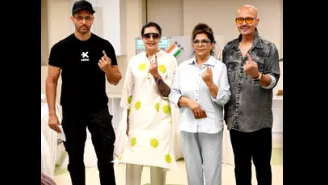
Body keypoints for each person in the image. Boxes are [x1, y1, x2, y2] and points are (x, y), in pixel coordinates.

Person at [45, 0, 122, 185]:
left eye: (87, 18)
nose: (83, 22)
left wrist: (107, 69)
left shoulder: (104, 46)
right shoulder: (60, 48)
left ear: (93, 20)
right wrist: (52, 114)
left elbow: (116, 78)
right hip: (72, 112)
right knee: (75, 161)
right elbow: (51, 81)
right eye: (79, 18)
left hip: (99, 111)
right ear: (73, 19)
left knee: (106, 160)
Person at [113, 21, 178, 185]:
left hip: (161, 119)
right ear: (142, 38)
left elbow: (169, 92)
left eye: (155, 35)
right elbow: (128, 93)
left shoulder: (170, 60)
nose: (151, 39)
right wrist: (127, 122)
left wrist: (156, 75)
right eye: (147, 35)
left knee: (158, 163)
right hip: (137, 119)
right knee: (134, 161)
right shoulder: (134, 61)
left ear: (160, 38)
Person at [222, 5, 280, 185]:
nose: (244, 23)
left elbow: (273, 81)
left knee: (262, 167)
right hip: (236, 120)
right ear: (236, 22)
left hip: (260, 121)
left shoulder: (269, 48)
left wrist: (257, 75)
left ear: (257, 21)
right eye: (240, 19)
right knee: (241, 168)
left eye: (249, 19)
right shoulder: (228, 49)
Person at [169, 23, 231, 185]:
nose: (200, 44)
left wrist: (210, 83)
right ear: (192, 44)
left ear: (211, 44)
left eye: (204, 41)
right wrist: (189, 102)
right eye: (196, 41)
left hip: (211, 126)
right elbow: (173, 94)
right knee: (192, 170)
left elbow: (224, 98)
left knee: (212, 172)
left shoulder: (220, 68)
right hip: (188, 126)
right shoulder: (183, 67)